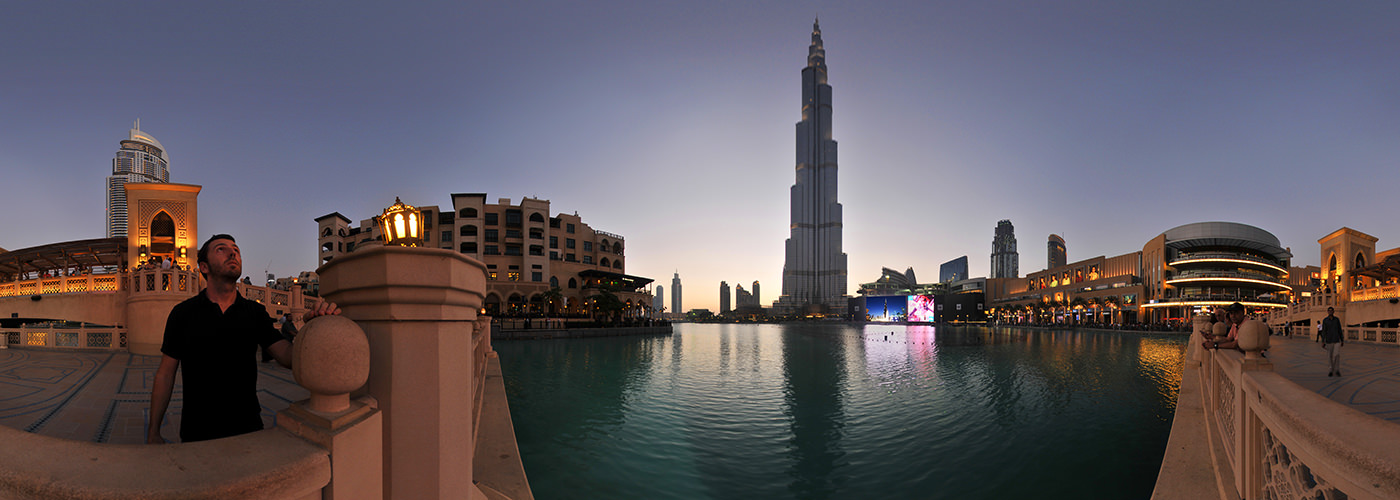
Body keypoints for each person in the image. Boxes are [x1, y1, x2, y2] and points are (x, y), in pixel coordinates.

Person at [147, 234, 340, 444]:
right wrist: (153, 432)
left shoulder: (255, 313)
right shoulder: (183, 313)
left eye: (236, 250)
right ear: (204, 267)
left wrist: (312, 329)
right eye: (221, 249)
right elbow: (165, 374)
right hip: (197, 433)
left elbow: (287, 357)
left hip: (248, 430)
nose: (233, 253)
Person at [1320, 306, 1344, 377]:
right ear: (1327, 312)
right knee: (1329, 356)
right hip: (1329, 340)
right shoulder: (1325, 320)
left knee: (1336, 355)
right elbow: (1324, 331)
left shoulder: (1336, 320)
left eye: (1331, 311)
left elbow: (1339, 330)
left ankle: (1337, 370)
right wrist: (1323, 341)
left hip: (1336, 340)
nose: (1330, 312)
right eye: (1329, 311)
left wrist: (1342, 339)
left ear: (1333, 312)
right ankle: (1331, 369)